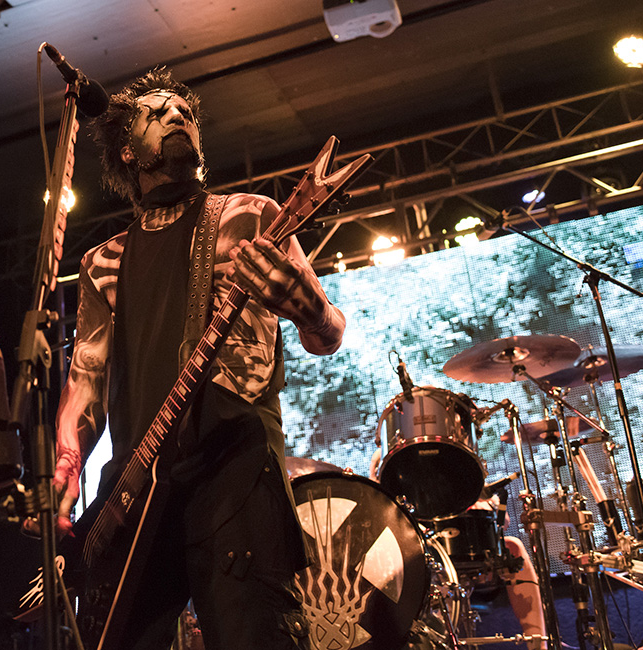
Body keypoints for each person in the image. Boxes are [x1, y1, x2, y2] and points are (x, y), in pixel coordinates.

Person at [46, 68, 345, 650]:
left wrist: (306, 306)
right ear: (128, 151)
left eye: (183, 111)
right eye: (156, 113)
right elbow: (85, 380)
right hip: (137, 487)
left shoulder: (251, 216)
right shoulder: (102, 263)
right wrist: (65, 466)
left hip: (235, 471)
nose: (176, 116)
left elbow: (328, 333)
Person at [369, 449, 547, 650]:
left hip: (461, 542)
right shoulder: (388, 455)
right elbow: (380, 508)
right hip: (414, 544)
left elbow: (502, 523)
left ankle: (538, 643)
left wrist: (487, 506)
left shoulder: (459, 456)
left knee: (512, 546)